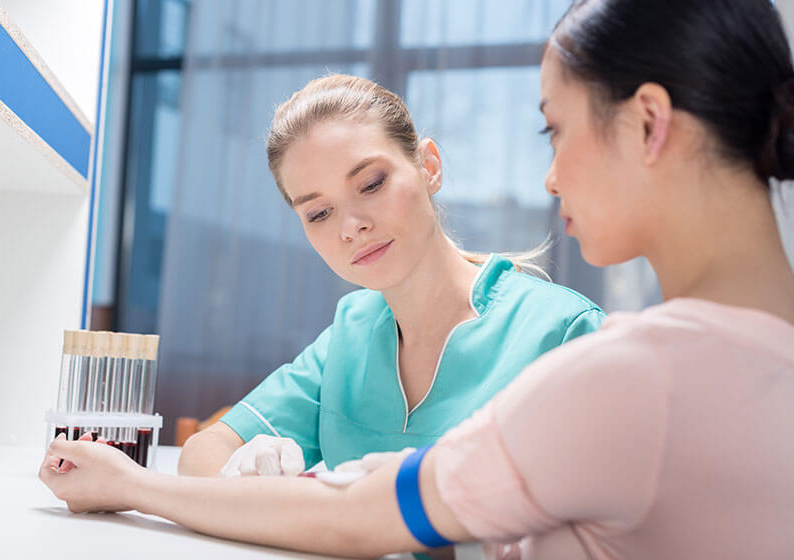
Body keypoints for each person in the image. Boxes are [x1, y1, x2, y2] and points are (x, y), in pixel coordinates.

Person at [40, 0, 794, 558]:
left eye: (554, 130)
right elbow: (235, 454)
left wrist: (131, 485)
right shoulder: (354, 332)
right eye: (316, 212)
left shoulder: (616, 364)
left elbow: (363, 515)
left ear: (648, 123)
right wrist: (254, 465)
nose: (551, 174)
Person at [176, 74, 604, 477]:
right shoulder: (352, 332)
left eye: (372, 184)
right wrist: (245, 468)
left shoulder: (562, 332)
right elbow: (202, 452)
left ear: (429, 167)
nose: (351, 226)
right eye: (319, 212)